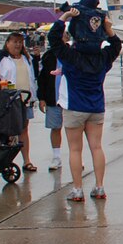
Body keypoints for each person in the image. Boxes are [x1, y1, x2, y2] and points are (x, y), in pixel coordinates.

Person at [48, 0, 123, 202]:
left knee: (75, 149)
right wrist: (109, 30)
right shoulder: (103, 57)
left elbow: (53, 39)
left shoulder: (70, 56)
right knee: (96, 147)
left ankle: (78, 189)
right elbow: (116, 45)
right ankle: (99, 187)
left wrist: (64, 18)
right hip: (96, 107)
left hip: (74, 107)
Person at [0, 32, 38, 171]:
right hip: (7, 101)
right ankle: (4, 161)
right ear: (7, 43)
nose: (18, 45)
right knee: (9, 131)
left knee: (24, 130)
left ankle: (27, 161)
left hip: (25, 100)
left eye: (20, 42)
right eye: (15, 42)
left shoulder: (27, 57)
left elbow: (33, 76)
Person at [36, 30, 69, 171]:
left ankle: (76, 157)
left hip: (70, 99)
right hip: (53, 98)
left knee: (74, 128)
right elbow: (42, 78)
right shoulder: (48, 56)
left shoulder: (72, 53)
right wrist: (41, 97)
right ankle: (56, 157)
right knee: (55, 128)